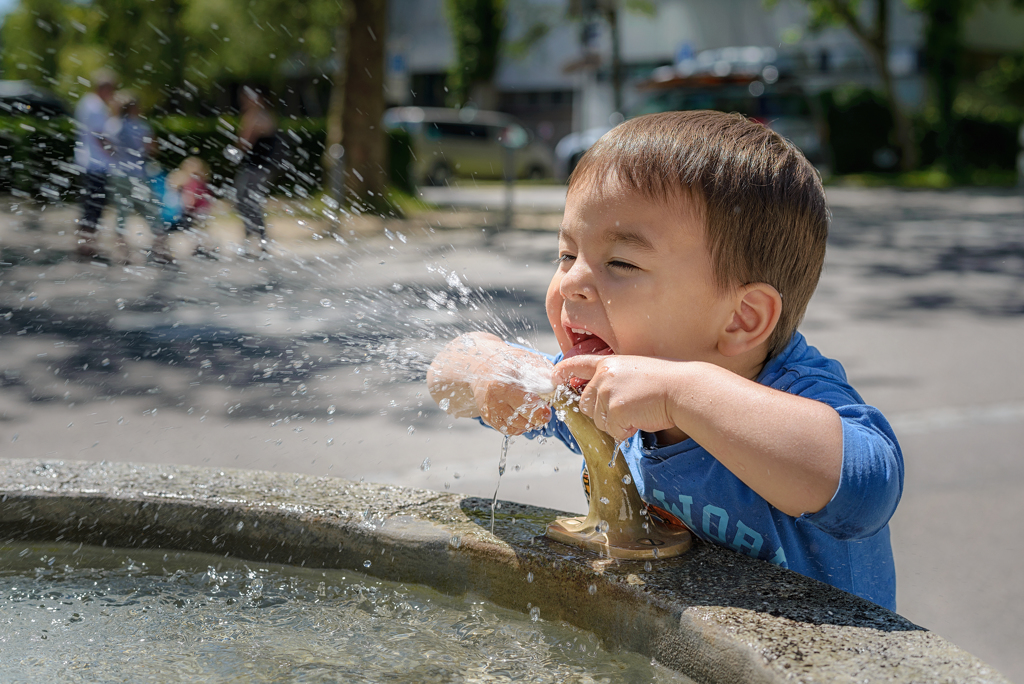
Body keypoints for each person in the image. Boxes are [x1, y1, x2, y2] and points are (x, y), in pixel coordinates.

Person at [426, 111, 904, 611]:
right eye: (567, 255)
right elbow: (446, 373)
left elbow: (866, 491)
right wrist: (486, 366)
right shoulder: (598, 391)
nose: (569, 283)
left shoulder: (791, 393)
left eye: (621, 264)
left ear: (742, 318)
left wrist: (682, 396)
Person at [105, 90, 162, 262]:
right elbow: (152, 149)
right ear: (134, 107)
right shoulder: (142, 126)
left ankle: (121, 251)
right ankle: (160, 248)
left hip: (118, 174)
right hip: (138, 174)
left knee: (122, 213)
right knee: (150, 210)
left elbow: (108, 149)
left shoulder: (111, 125)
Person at [73, 69, 118, 259]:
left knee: (89, 205)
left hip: (87, 160)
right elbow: (100, 135)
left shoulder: (85, 102)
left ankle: (85, 244)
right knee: (95, 206)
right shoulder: (96, 106)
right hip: (96, 163)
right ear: (104, 88)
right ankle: (88, 246)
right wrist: (115, 152)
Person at [233, 86, 279, 253]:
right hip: (263, 167)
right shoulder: (267, 115)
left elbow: (244, 142)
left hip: (255, 168)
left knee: (245, 201)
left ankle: (256, 239)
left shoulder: (255, 116)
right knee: (250, 201)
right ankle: (258, 239)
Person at [150, 156, 212, 263]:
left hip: (184, 224)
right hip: (175, 223)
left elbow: (194, 205)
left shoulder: (197, 186)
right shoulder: (180, 183)